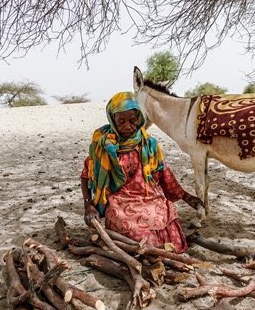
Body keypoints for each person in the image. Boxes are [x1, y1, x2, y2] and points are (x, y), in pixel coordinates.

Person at [80, 92, 202, 253]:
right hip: (120, 200)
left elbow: (164, 173)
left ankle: (159, 250)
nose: (127, 126)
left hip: (150, 196)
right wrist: (88, 205)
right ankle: (146, 251)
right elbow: (86, 176)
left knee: (161, 213)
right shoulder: (102, 146)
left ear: (139, 118)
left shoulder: (148, 144)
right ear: (112, 119)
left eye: (132, 120)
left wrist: (186, 197)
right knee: (125, 220)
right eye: (121, 121)